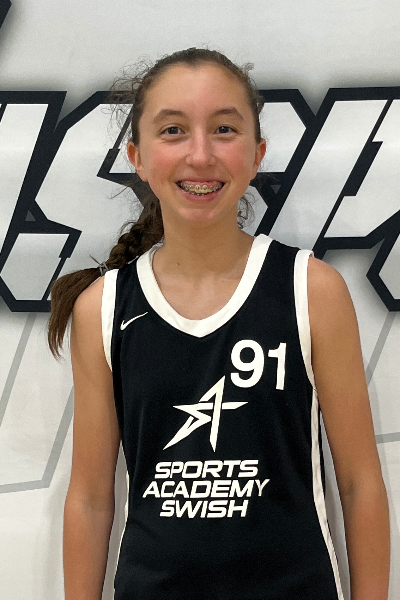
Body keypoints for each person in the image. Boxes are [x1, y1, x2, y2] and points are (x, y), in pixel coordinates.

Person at [47, 48, 390, 600]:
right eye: (174, 130)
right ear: (137, 157)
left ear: (257, 155)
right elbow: (89, 498)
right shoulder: (103, 308)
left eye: (224, 129)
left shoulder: (311, 290)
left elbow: (359, 483)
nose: (201, 154)